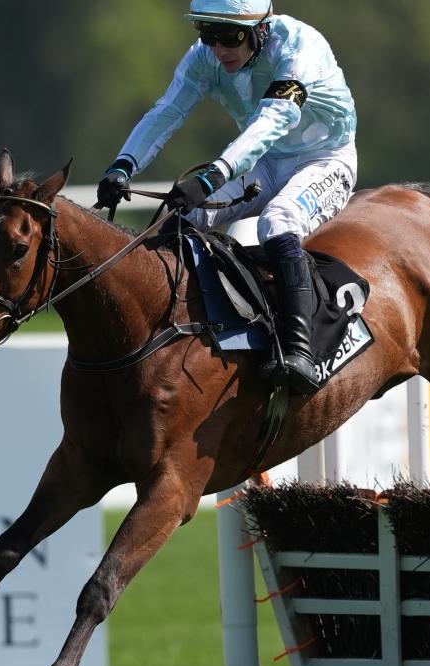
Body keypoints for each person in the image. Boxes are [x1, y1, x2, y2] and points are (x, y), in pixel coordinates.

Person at [95, 0, 357, 394]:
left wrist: (212, 176)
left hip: (325, 158)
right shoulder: (204, 56)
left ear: (261, 29)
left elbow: (273, 119)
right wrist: (122, 166)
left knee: (278, 221)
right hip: (264, 161)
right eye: (207, 35)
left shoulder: (299, 46)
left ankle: (300, 351)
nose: (218, 50)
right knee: (178, 219)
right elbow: (167, 112)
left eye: (230, 36)